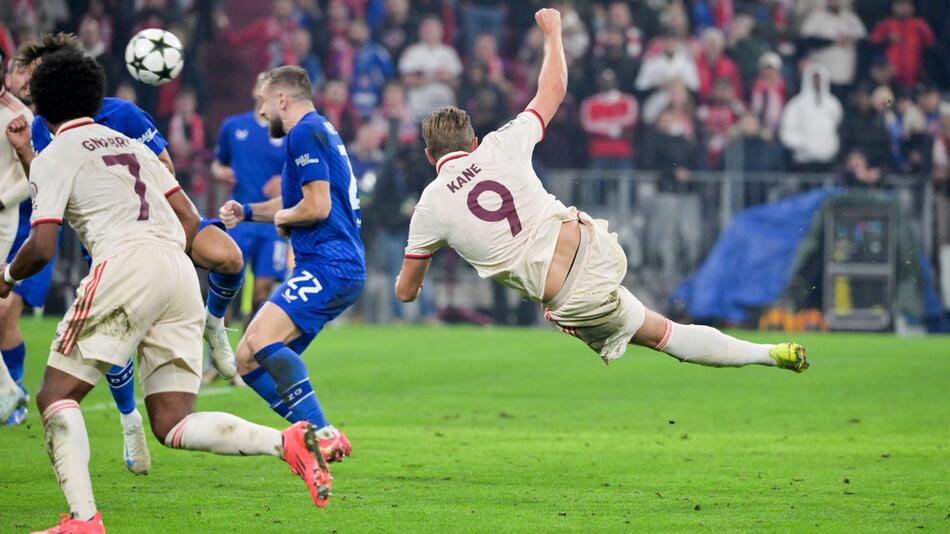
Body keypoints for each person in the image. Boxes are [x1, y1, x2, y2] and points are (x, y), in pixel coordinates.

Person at [1, 52, 331, 533]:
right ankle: (287, 443)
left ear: (43, 105)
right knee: (173, 422)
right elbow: (191, 222)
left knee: (55, 394)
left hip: (125, 262)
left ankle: (83, 520)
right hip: (178, 269)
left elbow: (43, 245)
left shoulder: (57, 153)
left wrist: (8, 276)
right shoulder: (131, 146)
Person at [395, 10, 808, 377]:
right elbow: (553, 89)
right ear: (473, 141)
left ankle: (765, 355)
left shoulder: (430, 206)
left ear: (430, 154)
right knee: (664, 327)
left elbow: (407, 292)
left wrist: (430, 249)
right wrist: (553, 33)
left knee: (667, 337)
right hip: (593, 244)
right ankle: (769, 352)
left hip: (574, 298)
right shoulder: (501, 143)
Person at [3, 34, 241, 464]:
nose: (29, 84)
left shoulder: (123, 114)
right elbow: (46, 184)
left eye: (37, 75)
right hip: (109, 237)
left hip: (156, 221)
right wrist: (24, 152)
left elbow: (163, 168)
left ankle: (215, 326)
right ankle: (130, 420)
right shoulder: (41, 127)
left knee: (229, 256)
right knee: (117, 345)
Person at [219, 66, 365, 464]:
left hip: (329, 263)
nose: (262, 112)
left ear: (282, 99)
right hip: (330, 265)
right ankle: (315, 438)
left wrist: (285, 219)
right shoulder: (318, 131)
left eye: (265, 102)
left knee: (262, 339)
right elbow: (293, 205)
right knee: (247, 358)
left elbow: (316, 207)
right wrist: (247, 212)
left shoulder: (303, 132)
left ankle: (322, 432)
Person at [211, 74, 289, 331]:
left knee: (262, 291)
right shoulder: (233, 127)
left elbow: (300, 170)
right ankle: (217, 353)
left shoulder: (287, 131)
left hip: (272, 221)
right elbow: (217, 164)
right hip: (239, 220)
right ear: (256, 90)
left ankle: (250, 349)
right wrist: (219, 172)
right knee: (229, 288)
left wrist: (284, 179)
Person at [779, 63, 842, 172]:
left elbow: (837, 124)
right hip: (803, 162)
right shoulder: (796, 104)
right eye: (814, 79)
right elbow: (786, 131)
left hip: (828, 161)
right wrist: (804, 144)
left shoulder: (832, 103)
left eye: (819, 79)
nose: (817, 82)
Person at [868, 0, 936, 89]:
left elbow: (931, 45)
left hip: (915, 79)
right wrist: (887, 39)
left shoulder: (920, 25)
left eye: (907, 4)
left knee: (910, 100)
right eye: (900, 5)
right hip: (890, 80)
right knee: (888, 101)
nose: (904, 8)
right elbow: (872, 44)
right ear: (893, 7)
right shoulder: (885, 24)